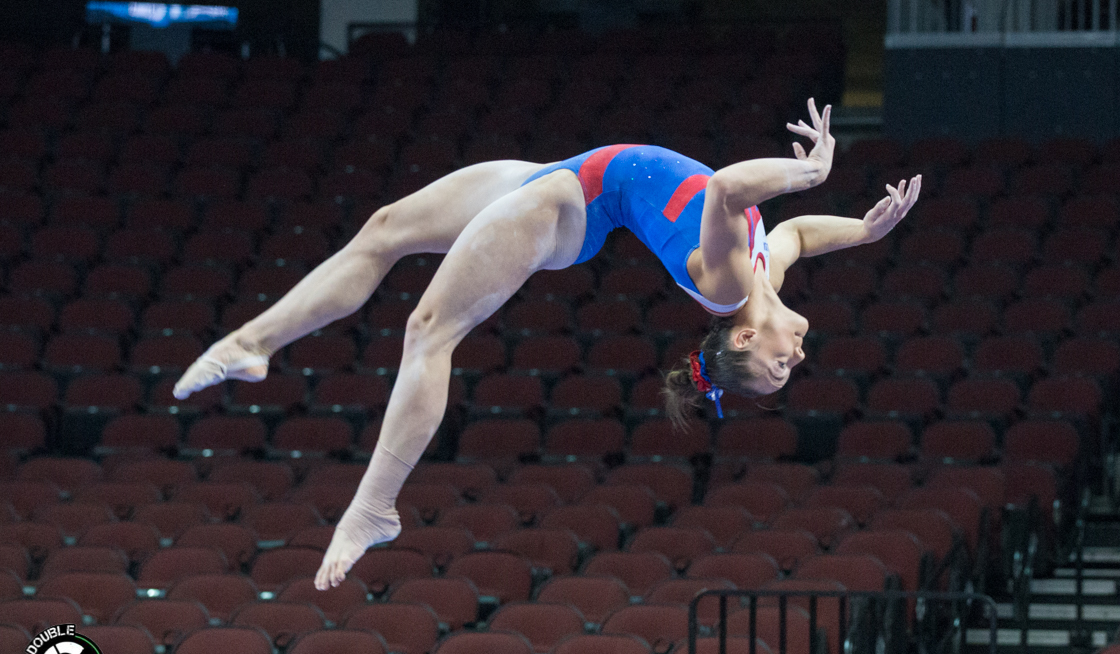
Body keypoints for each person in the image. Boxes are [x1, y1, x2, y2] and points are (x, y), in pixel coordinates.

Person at [172, 99, 921, 589]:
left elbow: (727, 188)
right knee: (386, 228)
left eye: (774, 372)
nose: (795, 362)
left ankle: (376, 505)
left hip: (568, 206)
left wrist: (809, 170)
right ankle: (252, 342)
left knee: (430, 330)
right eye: (787, 371)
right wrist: (866, 228)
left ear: (745, 336)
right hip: (565, 175)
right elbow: (794, 232)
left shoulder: (727, 285)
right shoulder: (766, 267)